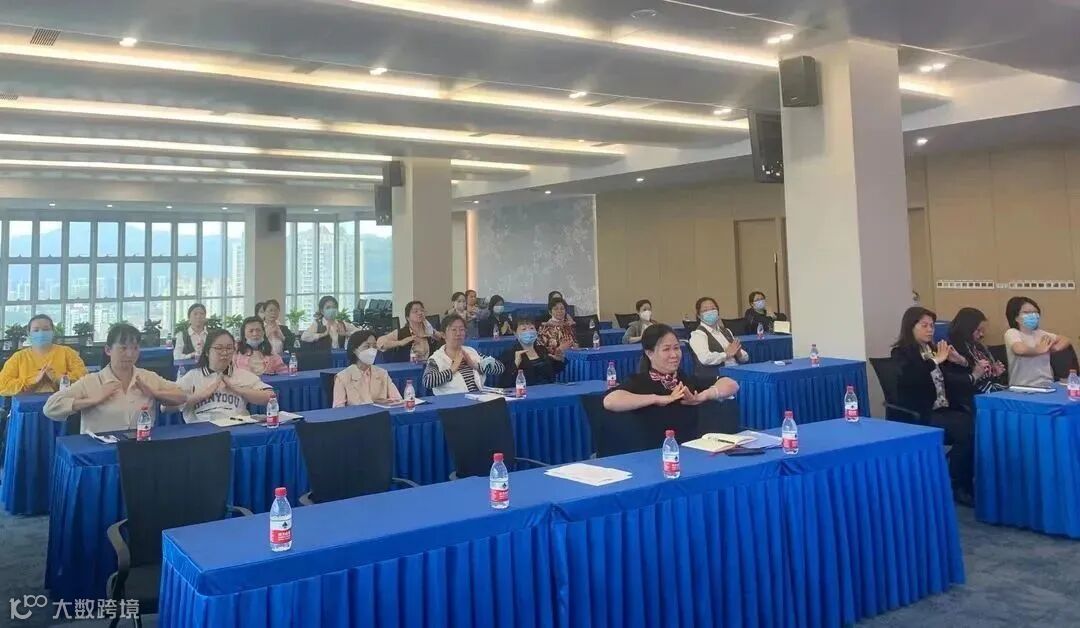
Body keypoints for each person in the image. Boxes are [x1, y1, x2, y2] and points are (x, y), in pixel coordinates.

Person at [891, 306, 975, 504]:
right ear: (911, 327)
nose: (930, 330)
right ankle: (957, 484)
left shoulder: (933, 349)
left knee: (976, 427)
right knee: (967, 431)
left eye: (932, 326)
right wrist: (935, 362)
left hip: (945, 408)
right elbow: (911, 380)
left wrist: (960, 361)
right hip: (922, 412)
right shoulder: (901, 352)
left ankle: (962, 481)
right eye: (924, 325)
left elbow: (953, 380)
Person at [603, 325, 740, 443]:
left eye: (676, 348)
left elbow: (732, 384)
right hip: (654, 453)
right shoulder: (640, 381)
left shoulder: (685, 381)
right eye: (666, 349)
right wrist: (658, 399)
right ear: (650, 353)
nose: (674, 355)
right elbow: (610, 401)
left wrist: (702, 396)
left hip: (690, 450)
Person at [44, 324, 186, 433]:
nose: (130, 354)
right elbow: (50, 408)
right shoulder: (92, 381)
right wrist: (92, 400)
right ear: (108, 350)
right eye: (123, 348)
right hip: (101, 455)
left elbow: (182, 395)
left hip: (140, 450)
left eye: (135, 348)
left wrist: (155, 393)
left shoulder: (147, 378)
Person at [176, 329, 274, 423]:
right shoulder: (193, 376)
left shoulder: (242, 375)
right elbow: (168, 406)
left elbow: (271, 397)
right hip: (202, 428)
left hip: (236, 426)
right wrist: (201, 395)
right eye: (219, 348)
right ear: (207, 352)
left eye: (229, 348)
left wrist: (238, 389)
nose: (225, 352)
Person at [0, 314, 87, 396]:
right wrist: (32, 381)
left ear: (53, 332)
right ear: (29, 333)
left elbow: (84, 378)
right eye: (36, 330)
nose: (41, 333)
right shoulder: (18, 357)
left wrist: (59, 378)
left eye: (46, 329)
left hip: (63, 402)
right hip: (26, 404)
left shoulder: (67, 352)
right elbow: (3, 385)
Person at [422, 314, 505, 395]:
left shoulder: (471, 352)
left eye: (462, 329)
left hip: (477, 398)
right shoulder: (437, 358)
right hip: (452, 401)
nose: (458, 333)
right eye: (454, 330)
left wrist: (475, 365)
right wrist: (452, 369)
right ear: (443, 335)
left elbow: (500, 368)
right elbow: (427, 381)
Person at [1004, 296, 1071, 388]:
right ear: (1016, 317)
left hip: (1047, 385)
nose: (1033, 315)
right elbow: (1019, 350)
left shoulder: (1040, 333)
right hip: (1022, 386)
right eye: (1027, 312)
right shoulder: (1012, 333)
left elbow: (1065, 339)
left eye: (1035, 312)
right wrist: (1040, 349)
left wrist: (1054, 348)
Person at [946, 307, 1006, 408]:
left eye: (983, 330)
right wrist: (972, 369)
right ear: (967, 328)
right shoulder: (952, 348)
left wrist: (995, 373)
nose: (982, 334)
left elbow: (985, 375)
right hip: (969, 397)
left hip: (987, 390)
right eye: (978, 330)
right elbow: (958, 380)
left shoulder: (978, 347)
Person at [333, 331, 402, 407]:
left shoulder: (382, 373)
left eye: (374, 346)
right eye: (367, 346)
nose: (372, 351)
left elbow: (398, 400)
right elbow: (339, 410)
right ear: (354, 350)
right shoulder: (342, 377)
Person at [689, 297, 749, 375]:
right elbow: (705, 358)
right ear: (699, 315)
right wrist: (726, 354)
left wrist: (739, 353)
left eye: (713, 309)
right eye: (705, 310)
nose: (710, 312)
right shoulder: (698, 334)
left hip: (736, 370)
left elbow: (745, 358)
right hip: (718, 375)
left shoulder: (726, 331)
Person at [498, 317, 564, 386]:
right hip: (524, 391)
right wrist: (515, 364)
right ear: (515, 333)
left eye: (532, 328)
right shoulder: (508, 354)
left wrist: (559, 360)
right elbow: (503, 383)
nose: (528, 331)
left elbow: (552, 373)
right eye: (524, 329)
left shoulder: (542, 350)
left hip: (547, 389)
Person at [377, 300, 443, 362]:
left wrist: (438, 336)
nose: (420, 313)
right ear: (407, 317)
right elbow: (380, 343)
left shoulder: (430, 331)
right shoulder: (401, 333)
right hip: (407, 368)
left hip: (429, 368)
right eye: (415, 311)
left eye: (422, 310)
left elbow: (443, 338)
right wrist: (400, 342)